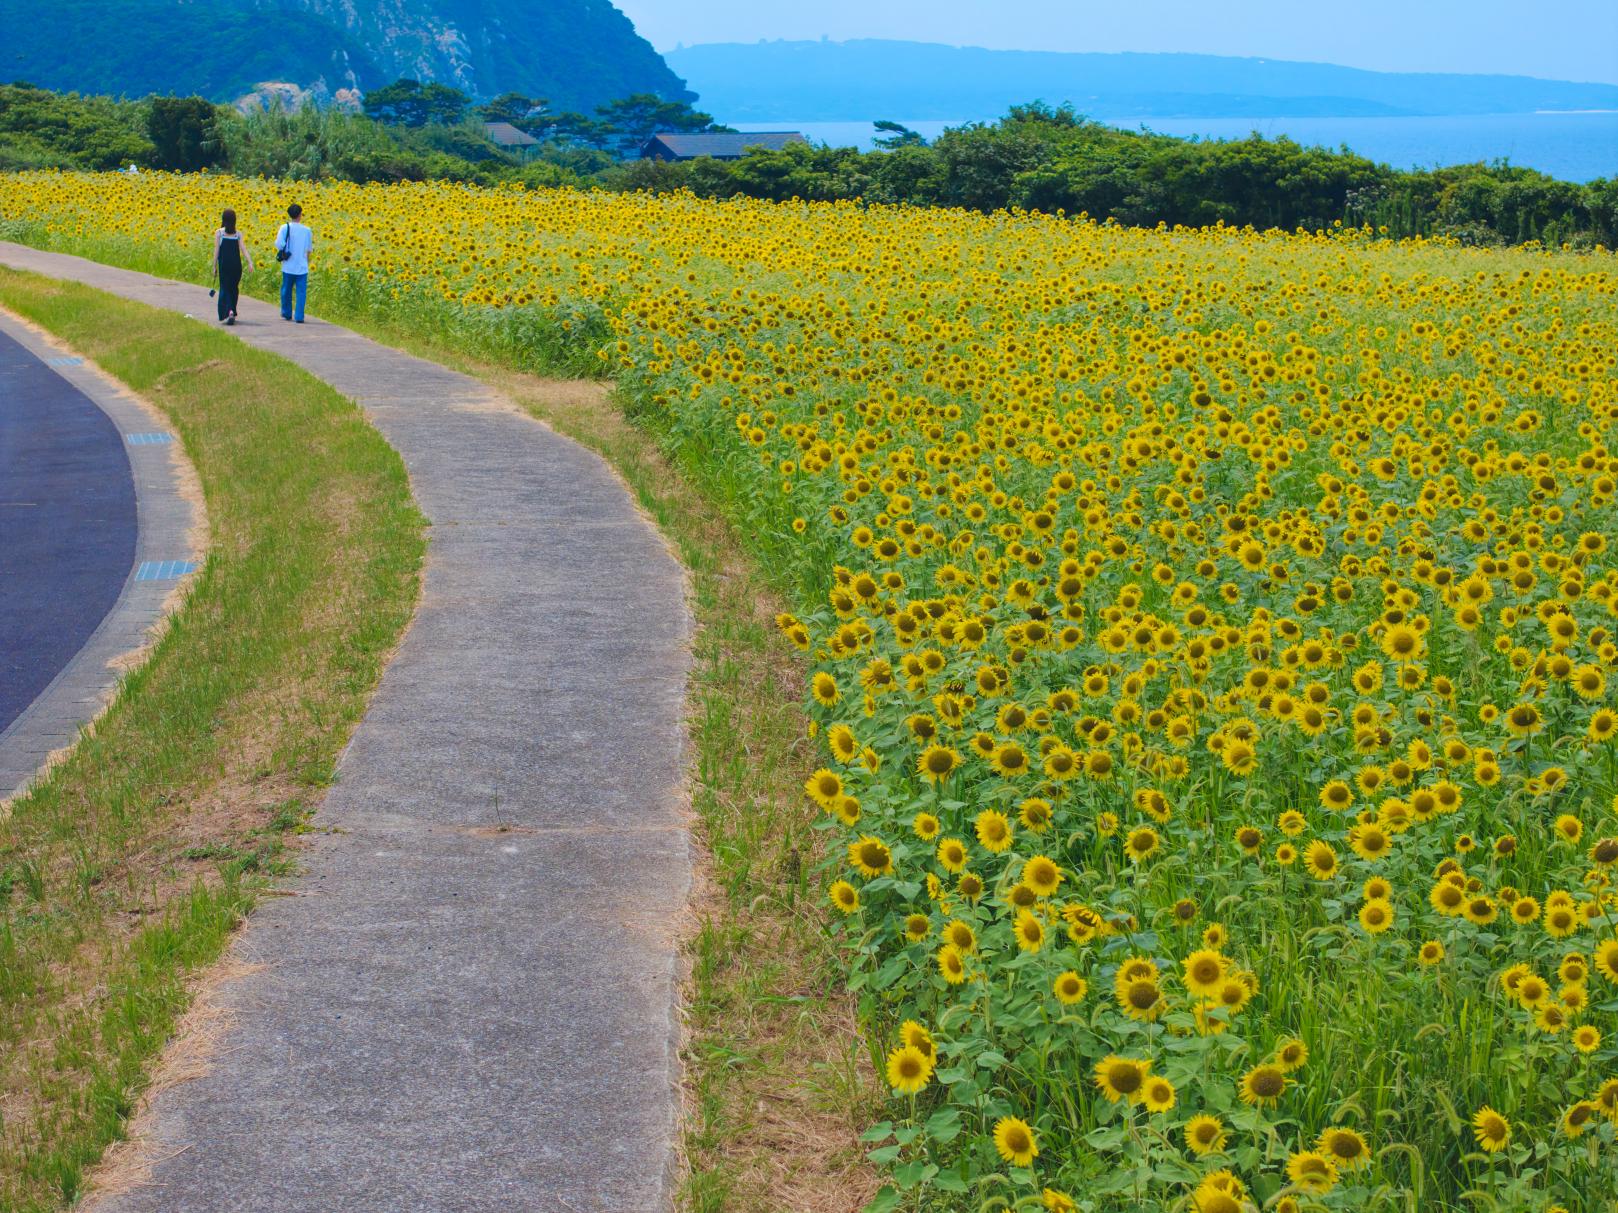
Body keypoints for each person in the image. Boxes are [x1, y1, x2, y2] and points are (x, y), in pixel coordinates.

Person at [212, 208, 254, 326]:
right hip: (236, 266)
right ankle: (232, 311)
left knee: (225, 289)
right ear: (234, 220)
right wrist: (250, 262)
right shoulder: (238, 234)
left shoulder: (219, 233)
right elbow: (244, 249)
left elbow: (217, 250)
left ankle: (229, 312)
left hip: (224, 266)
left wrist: (214, 266)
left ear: (223, 219)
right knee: (234, 288)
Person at [275, 203, 313, 323]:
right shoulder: (307, 230)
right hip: (302, 266)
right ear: (300, 215)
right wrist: (307, 261)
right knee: (301, 292)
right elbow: (309, 249)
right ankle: (299, 316)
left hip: (288, 265)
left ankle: (286, 313)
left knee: (286, 290)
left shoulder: (284, 227)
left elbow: (279, 244)